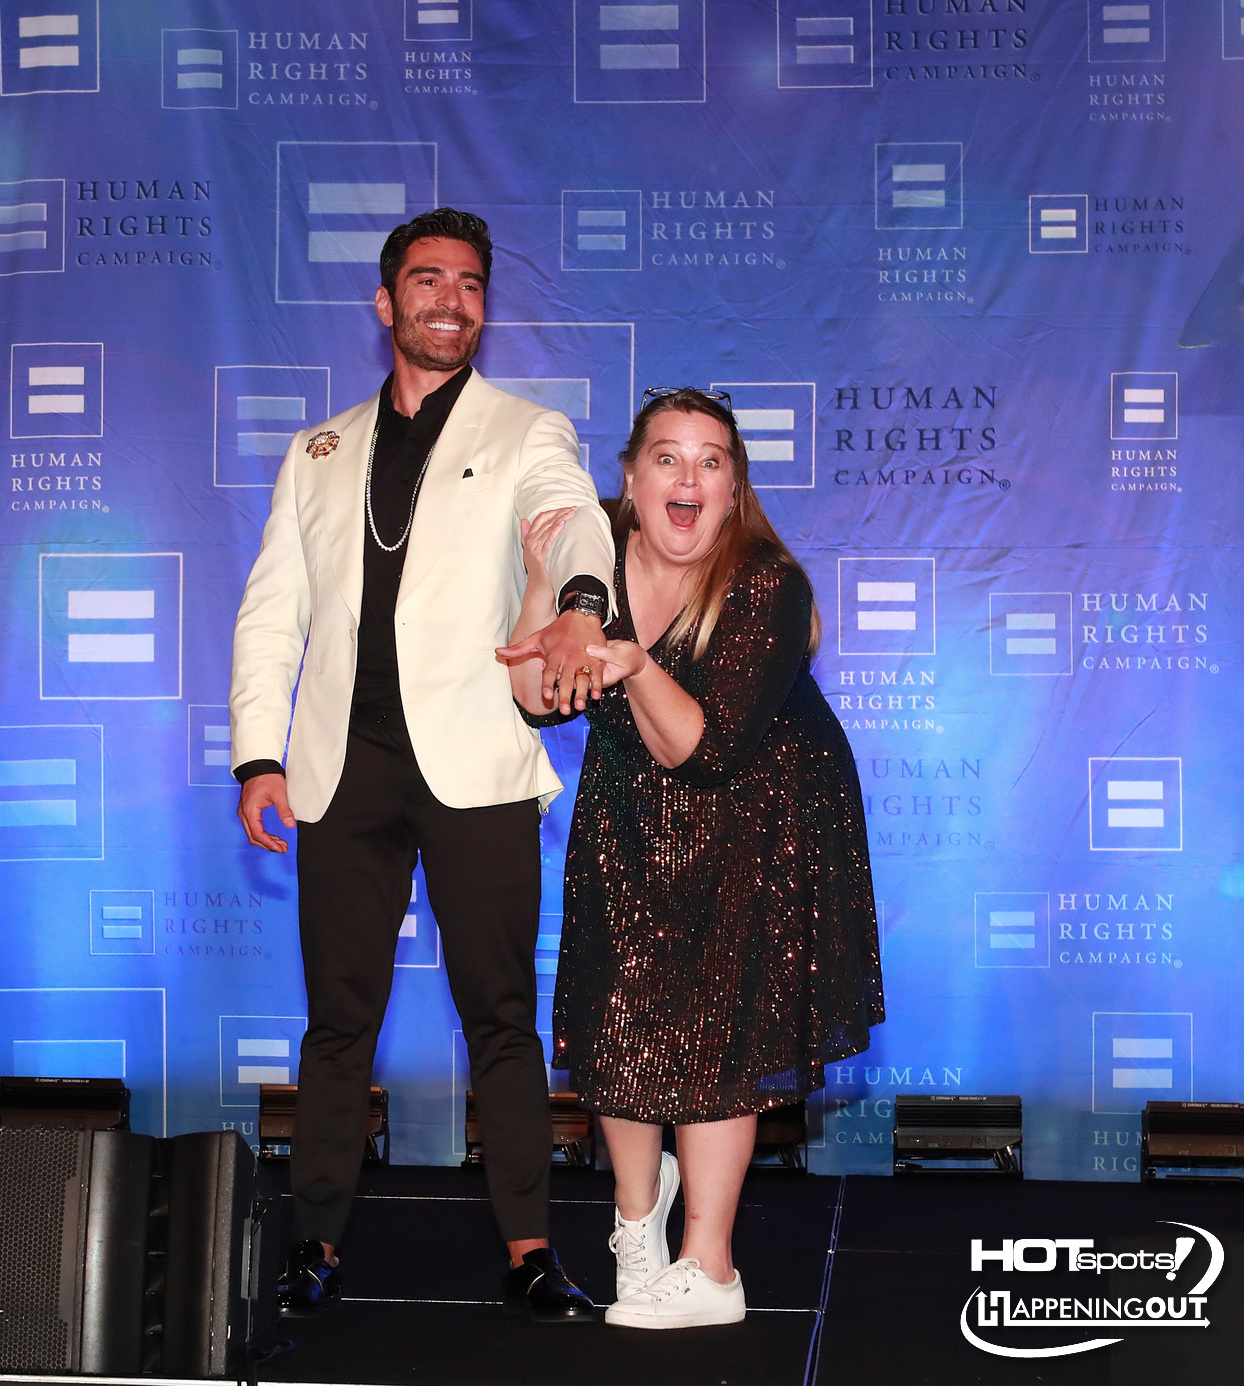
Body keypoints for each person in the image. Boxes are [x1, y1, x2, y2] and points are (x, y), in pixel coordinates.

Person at [229, 207, 616, 1322]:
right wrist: (259, 756)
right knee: (337, 1022)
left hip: (474, 766)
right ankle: (317, 1247)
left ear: (485, 307)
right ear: (387, 301)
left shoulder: (524, 429)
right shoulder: (317, 452)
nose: (451, 300)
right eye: (428, 279)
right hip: (338, 770)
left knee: (499, 1014)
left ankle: (530, 1252)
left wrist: (581, 607)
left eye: (471, 285)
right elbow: (271, 616)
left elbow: (567, 523)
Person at [499, 388, 884, 1329]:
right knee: (617, 1005)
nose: (689, 478)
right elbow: (537, 698)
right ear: (629, 478)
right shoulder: (600, 560)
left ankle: (709, 1266)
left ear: (735, 487)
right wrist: (547, 574)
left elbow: (702, 752)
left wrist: (628, 659)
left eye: (712, 461)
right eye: (667, 457)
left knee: (717, 1022)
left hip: (760, 808)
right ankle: (638, 1223)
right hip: (633, 801)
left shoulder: (767, 584)